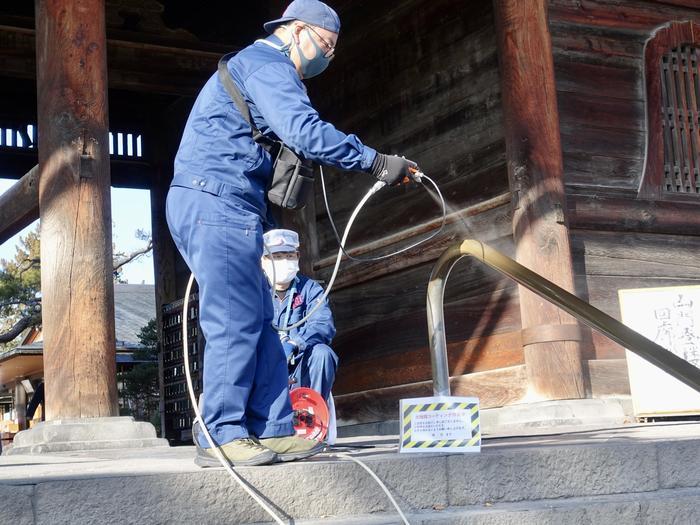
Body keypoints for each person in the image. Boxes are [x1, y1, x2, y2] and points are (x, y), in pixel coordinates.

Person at [167, 0, 419, 467]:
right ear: (296, 31)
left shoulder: (259, 67)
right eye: (325, 45)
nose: (327, 58)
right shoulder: (267, 64)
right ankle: (220, 432)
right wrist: (377, 161)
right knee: (233, 318)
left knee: (261, 318)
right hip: (216, 200)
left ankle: (272, 428)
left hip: (235, 203)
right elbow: (303, 131)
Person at [262, 229, 337, 402]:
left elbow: (323, 324)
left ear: (297, 256)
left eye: (289, 256)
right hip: (266, 368)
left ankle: (313, 414)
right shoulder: (255, 292)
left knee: (323, 354)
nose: (284, 261)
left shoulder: (310, 288)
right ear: (263, 260)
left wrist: (295, 344)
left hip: (299, 365)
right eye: (277, 256)